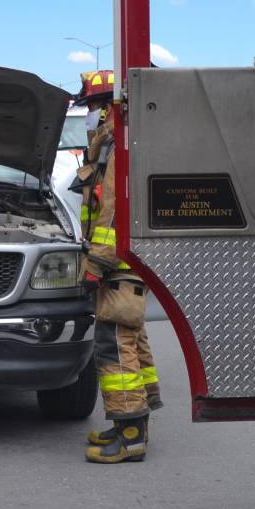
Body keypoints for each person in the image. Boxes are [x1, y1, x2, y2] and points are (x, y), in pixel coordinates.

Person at [75, 69, 162, 464]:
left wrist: (96, 262)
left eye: (91, 107)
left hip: (118, 265)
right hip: (132, 263)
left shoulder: (116, 145)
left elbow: (111, 211)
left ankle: (129, 438)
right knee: (132, 340)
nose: (89, 116)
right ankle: (133, 425)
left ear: (103, 107)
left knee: (113, 347)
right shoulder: (119, 141)